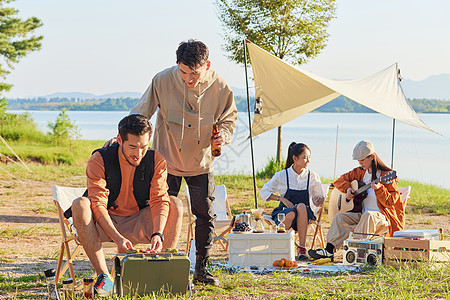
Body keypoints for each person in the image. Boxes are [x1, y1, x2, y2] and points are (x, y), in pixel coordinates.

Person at [130, 39, 237, 285]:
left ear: (207, 65)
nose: (188, 79)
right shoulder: (162, 80)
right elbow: (141, 113)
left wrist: (224, 134)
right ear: (177, 66)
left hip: (201, 162)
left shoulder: (220, 87)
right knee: (158, 212)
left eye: (194, 74)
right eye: (183, 72)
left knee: (205, 216)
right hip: (166, 160)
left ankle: (202, 269)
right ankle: (158, 263)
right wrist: (123, 135)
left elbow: (229, 119)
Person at [72, 114, 183, 296]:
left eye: (143, 147)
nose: (138, 154)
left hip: (139, 221)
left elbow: (159, 200)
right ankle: (104, 278)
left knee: (175, 203)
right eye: (132, 146)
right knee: (80, 204)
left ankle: (161, 273)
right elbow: (98, 205)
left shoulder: (157, 161)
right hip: (106, 223)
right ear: (119, 140)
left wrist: (158, 234)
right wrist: (117, 239)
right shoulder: (99, 159)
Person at [309, 140, 404, 261]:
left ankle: (356, 251)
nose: (360, 163)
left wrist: (380, 189)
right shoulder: (359, 172)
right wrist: (348, 188)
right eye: (358, 160)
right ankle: (329, 250)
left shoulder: (387, 175)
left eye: (362, 160)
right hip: (362, 215)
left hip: (381, 217)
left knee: (368, 216)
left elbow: (391, 202)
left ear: (372, 157)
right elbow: (339, 180)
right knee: (340, 217)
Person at [259, 142, 325, 260]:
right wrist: (281, 199)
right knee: (291, 213)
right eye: (305, 158)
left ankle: (302, 248)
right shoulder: (282, 175)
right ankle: (280, 247)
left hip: (304, 215)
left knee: (300, 206)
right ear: (295, 158)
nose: (308, 161)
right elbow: (263, 193)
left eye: (309, 158)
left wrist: (319, 199)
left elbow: (318, 200)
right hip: (286, 213)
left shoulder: (312, 176)